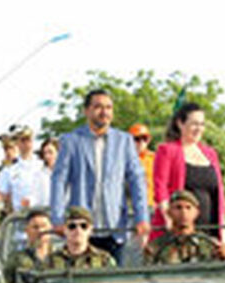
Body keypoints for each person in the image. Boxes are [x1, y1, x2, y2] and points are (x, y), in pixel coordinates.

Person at [50, 89, 150, 259]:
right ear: (86, 111)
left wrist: (142, 217)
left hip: (115, 228)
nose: (104, 112)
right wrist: (58, 218)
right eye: (98, 107)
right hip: (81, 230)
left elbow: (137, 180)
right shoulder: (71, 141)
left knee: (113, 281)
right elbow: (59, 181)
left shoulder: (124, 140)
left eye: (108, 107)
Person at [152, 103, 225, 240]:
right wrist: (168, 218)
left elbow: (219, 195)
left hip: (209, 232)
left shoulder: (211, 154)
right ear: (180, 124)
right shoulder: (167, 150)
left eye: (202, 124)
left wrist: (224, 233)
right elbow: (160, 187)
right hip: (179, 232)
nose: (199, 129)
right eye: (194, 124)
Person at [143, 190, 225, 264]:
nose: (184, 213)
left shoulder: (209, 245)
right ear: (168, 212)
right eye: (178, 207)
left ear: (196, 213)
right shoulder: (155, 247)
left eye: (188, 208)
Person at [50, 207, 116, 268]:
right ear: (64, 230)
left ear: (90, 230)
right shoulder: (51, 261)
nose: (78, 230)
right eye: (72, 226)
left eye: (83, 226)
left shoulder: (104, 259)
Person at [4, 209, 54, 283]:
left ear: (51, 229)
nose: (40, 231)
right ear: (27, 231)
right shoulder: (16, 260)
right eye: (35, 227)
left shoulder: (61, 257)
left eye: (44, 226)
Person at [129, 124, 155, 208]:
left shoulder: (155, 158)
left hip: (152, 206)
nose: (141, 142)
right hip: (131, 208)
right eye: (137, 139)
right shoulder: (122, 160)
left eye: (144, 138)